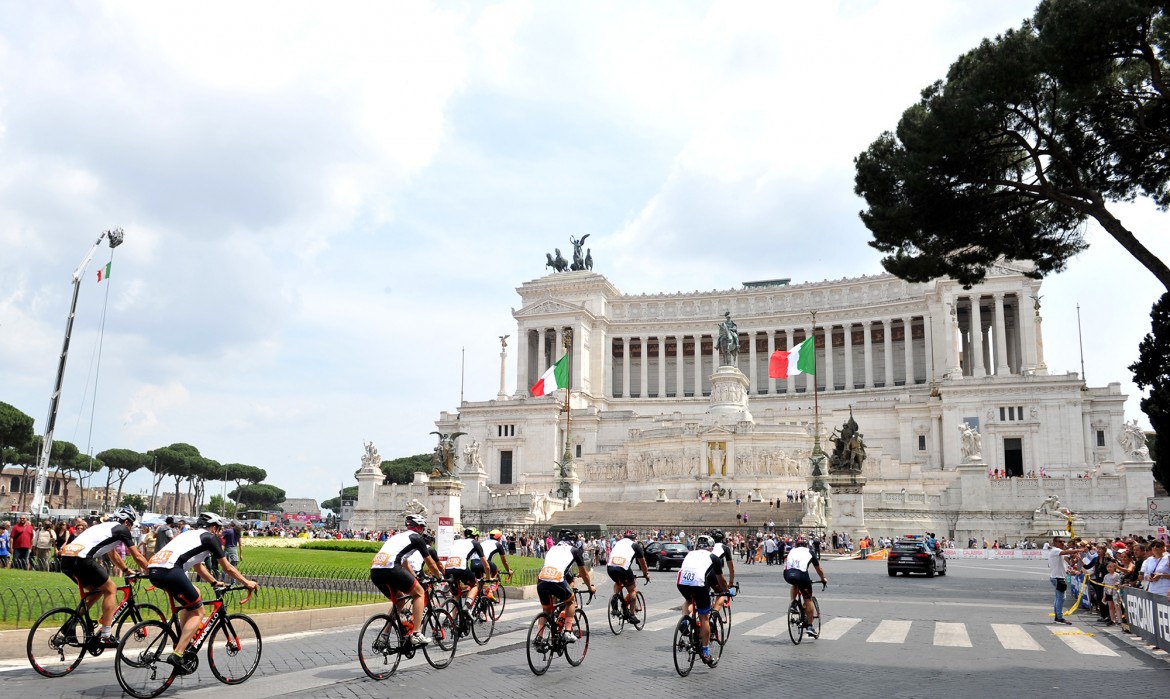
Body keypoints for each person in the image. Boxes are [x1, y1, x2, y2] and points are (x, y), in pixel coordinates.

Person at [147, 511, 259, 674]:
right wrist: (247, 582)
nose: (220, 533)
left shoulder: (190, 535)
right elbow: (227, 567)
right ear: (213, 528)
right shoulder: (209, 537)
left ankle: (181, 642)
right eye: (219, 529)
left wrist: (213, 581)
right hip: (170, 571)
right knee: (198, 611)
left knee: (194, 595)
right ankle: (178, 654)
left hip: (154, 570)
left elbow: (198, 566)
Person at [58, 506, 152, 646]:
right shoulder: (122, 529)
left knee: (96, 592)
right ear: (126, 522)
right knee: (110, 589)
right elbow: (137, 555)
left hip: (67, 559)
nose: (131, 529)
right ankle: (106, 635)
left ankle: (69, 627)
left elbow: (112, 554)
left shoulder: (104, 527)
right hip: (82, 559)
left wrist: (125, 569)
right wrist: (151, 571)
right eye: (131, 525)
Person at [367, 514, 443, 649]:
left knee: (400, 600)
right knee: (419, 593)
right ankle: (416, 633)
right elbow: (430, 563)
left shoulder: (396, 537)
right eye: (423, 528)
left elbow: (405, 562)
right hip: (391, 568)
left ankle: (384, 635)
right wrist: (439, 577)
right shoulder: (417, 538)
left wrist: (414, 577)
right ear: (419, 527)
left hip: (375, 571)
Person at [676, 534, 731, 665]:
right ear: (711, 548)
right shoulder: (714, 557)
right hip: (698, 584)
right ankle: (706, 652)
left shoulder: (690, 554)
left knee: (689, 601)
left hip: (681, 582)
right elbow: (721, 581)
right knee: (704, 616)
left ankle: (685, 620)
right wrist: (726, 590)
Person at [536, 529, 596, 645]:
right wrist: (590, 587)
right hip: (557, 580)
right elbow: (584, 573)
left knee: (546, 610)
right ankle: (568, 631)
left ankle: (539, 637)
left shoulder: (552, 548)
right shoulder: (574, 550)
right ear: (573, 541)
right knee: (570, 601)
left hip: (542, 580)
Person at [783, 536, 827, 638]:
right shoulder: (810, 552)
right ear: (806, 544)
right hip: (801, 575)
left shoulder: (792, 551)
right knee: (808, 599)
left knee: (795, 583)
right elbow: (818, 569)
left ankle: (793, 603)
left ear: (796, 544)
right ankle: (810, 627)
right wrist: (823, 578)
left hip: (787, 574)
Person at [606, 530, 650, 623]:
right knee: (632, 590)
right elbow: (643, 563)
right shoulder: (635, 545)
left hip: (610, 567)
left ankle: (615, 598)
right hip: (623, 567)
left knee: (618, 582)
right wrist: (646, 574)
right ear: (634, 538)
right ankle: (632, 614)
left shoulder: (617, 543)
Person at [448, 528, 492, 612]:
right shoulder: (475, 543)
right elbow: (486, 566)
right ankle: (467, 606)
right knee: (475, 585)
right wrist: (489, 578)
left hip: (448, 568)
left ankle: (453, 621)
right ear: (475, 537)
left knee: (456, 596)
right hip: (461, 568)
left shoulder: (457, 542)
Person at [1046, 536, 1083, 624]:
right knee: (1061, 598)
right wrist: (1079, 550)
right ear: (1054, 543)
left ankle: (1057, 616)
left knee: (1059, 598)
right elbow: (1066, 552)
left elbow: (1070, 561)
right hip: (1058, 577)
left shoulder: (1058, 552)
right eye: (1060, 541)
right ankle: (1059, 617)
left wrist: (1074, 557)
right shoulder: (1056, 550)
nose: (1062, 543)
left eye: (1063, 541)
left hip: (1058, 576)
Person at [475, 529, 514, 600]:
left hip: (474, 563)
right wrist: (508, 570)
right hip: (485, 562)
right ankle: (490, 591)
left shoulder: (483, 542)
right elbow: (504, 561)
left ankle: (478, 600)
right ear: (499, 538)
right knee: (495, 571)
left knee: (480, 581)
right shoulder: (498, 545)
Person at [709, 529, 736, 618]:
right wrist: (731, 582)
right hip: (713, 573)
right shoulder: (725, 548)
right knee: (721, 593)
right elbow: (731, 568)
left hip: (701, 572)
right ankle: (714, 614)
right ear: (722, 539)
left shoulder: (706, 547)